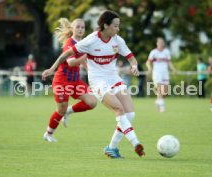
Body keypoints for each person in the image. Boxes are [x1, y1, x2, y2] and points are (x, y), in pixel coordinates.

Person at [42, 11, 145, 158]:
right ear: (106, 26)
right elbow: (66, 56)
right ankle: (136, 143)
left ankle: (111, 148)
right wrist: (52, 69)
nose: (118, 29)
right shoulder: (91, 40)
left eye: (118, 26)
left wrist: (134, 66)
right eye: (115, 26)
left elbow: (131, 58)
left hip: (114, 79)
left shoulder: (118, 40)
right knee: (118, 109)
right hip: (98, 82)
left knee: (130, 114)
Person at [42, 18, 97, 142]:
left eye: (82, 27)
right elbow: (71, 63)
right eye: (78, 27)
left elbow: (83, 62)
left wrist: (91, 72)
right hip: (62, 81)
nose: (80, 29)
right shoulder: (69, 43)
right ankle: (48, 134)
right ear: (72, 29)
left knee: (92, 102)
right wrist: (86, 55)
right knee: (60, 109)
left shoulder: (83, 43)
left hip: (75, 81)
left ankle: (68, 111)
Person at [146, 37, 177, 112]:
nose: (161, 44)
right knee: (159, 89)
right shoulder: (153, 52)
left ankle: (158, 101)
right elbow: (148, 62)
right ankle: (162, 107)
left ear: (163, 44)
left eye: (162, 43)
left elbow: (169, 62)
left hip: (165, 73)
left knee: (165, 91)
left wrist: (173, 69)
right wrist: (150, 69)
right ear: (157, 44)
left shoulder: (166, 52)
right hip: (157, 73)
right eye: (159, 43)